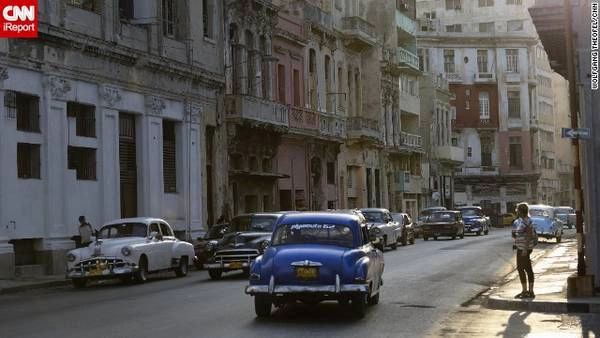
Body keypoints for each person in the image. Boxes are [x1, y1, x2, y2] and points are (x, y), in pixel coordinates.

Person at [512, 203, 536, 299]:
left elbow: (529, 236)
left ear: (521, 211)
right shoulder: (520, 221)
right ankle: (526, 291)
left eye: (517, 210)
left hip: (524, 249)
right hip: (521, 248)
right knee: (524, 268)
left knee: (524, 269)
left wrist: (525, 249)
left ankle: (528, 291)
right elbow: (518, 234)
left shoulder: (527, 221)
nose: (516, 211)